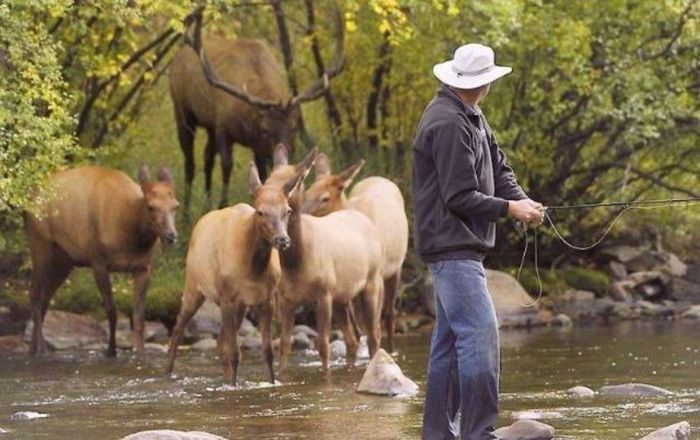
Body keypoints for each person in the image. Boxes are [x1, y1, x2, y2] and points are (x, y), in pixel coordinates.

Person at [412, 43, 545, 439]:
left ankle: (439, 433)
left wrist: (520, 200)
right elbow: (459, 196)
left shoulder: (471, 115)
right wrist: (510, 210)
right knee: (480, 337)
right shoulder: (448, 123)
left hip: (457, 245)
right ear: (484, 82)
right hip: (451, 246)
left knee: (450, 344)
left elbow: (499, 167)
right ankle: (478, 433)